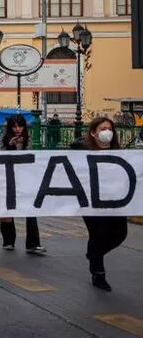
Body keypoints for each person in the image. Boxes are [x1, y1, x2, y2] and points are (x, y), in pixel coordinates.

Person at [72, 117, 127, 291]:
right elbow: (73, 146)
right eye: (102, 129)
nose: (107, 132)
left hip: (115, 201)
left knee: (120, 233)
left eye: (109, 129)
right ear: (93, 133)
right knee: (97, 234)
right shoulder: (83, 150)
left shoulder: (118, 152)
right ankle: (98, 273)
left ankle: (93, 254)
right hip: (91, 201)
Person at [0, 114, 45, 255]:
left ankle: (33, 243)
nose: (17, 129)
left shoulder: (27, 138)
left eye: (20, 126)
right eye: (15, 126)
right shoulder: (4, 138)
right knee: (7, 209)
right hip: (7, 178)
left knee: (31, 210)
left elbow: (29, 155)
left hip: (24, 178)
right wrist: (10, 145)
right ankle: (8, 240)